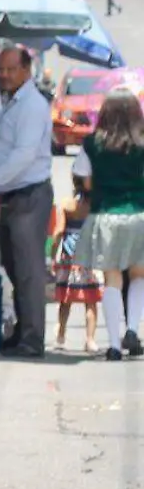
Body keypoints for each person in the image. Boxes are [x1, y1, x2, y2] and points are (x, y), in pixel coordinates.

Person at [0, 46, 55, 357]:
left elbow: (23, 155)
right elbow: (7, 135)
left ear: (26, 70)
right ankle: (22, 332)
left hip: (29, 195)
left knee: (29, 270)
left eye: (10, 69)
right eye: (0, 70)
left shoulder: (32, 105)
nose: (4, 75)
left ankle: (32, 340)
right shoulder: (13, 101)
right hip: (12, 196)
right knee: (13, 264)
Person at [71, 89, 144, 360]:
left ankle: (113, 345)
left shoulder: (93, 143)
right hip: (139, 214)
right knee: (139, 276)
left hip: (105, 216)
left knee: (112, 280)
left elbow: (84, 178)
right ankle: (133, 329)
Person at [50, 200, 102, 353]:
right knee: (90, 300)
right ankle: (90, 339)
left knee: (65, 299)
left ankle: (61, 335)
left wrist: (53, 255)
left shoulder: (66, 205)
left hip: (70, 258)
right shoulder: (95, 205)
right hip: (89, 257)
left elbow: (59, 232)